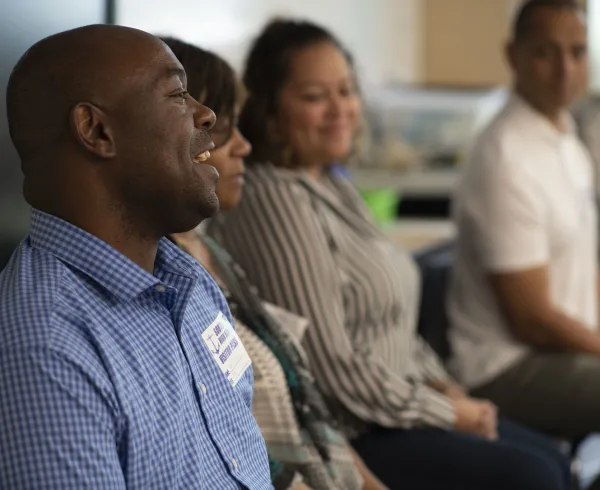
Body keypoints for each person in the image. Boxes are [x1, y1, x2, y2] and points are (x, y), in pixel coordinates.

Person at [207, 17, 571, 490]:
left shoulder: (331, 182)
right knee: (536, 475)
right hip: (359, 431)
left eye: (347, 91)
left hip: (403, 407)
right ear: (271, 111)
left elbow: (394, 321)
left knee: (554, 461)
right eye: (316, 97)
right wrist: (447, 412)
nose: (340, 109)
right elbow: (330, 365)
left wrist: (445, 388)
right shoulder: (275, 197)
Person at [0, 25, 272, 489]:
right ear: (96, 130)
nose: (205, 115)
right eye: (177, 94)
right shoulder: (46, 345)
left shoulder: (185, 280)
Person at [161, 36, 387, 490]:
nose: (243, 147)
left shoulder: (211, 254)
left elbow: (302, 404)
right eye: (220, 128)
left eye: (346, 91)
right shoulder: (169, 279)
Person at [448, 0, 600, 440]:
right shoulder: (505, 158)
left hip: (561, 350)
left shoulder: (567, 140)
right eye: (545, 52)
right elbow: (532, 319)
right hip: (506, 366)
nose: (564, 69)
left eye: (577, 52)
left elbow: (581, 271)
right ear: (513, 55)